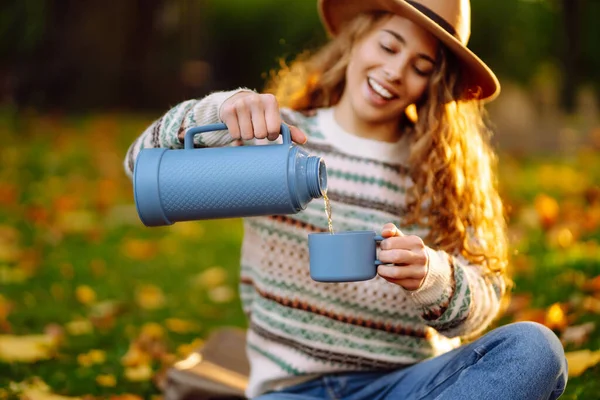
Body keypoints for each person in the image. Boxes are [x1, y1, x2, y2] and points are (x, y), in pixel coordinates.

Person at [124, 0, 568, 398]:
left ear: (435, 83)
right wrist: (212, 113)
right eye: (389, 46)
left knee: (535, 349)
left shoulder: (441, 173)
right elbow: (138, 167)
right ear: (357, 39)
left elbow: (485, 295)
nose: (396, 72)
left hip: (409, 386)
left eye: (420, 66)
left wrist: (435, 277)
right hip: (293, 390)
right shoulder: (276, 136)